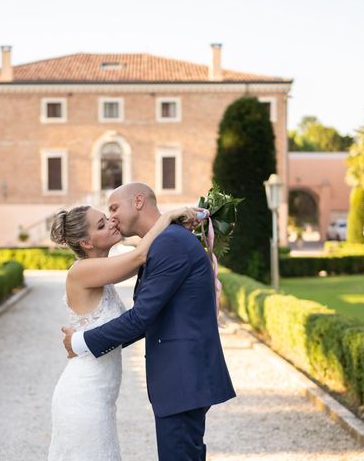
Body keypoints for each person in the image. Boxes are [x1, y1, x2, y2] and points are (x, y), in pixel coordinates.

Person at [61, 182, 236, 461]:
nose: (113, 218)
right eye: (105, 218)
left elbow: (140, 317)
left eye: (114, 208)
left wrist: (80, 341)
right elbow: (145, 314)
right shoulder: (165, 241)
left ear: (139, 201)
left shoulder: (170, 243)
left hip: (182, 379)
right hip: (179, 379)